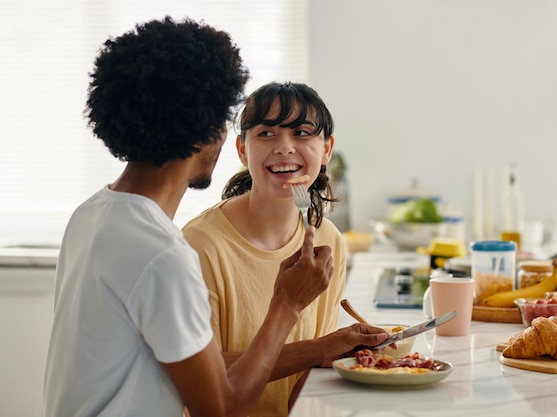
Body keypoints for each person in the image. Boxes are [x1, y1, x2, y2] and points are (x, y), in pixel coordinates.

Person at [42, 17, 390, 417]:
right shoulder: (164, 256)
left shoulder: (91, 215)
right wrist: (287, 304)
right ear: (212, 132)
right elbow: (221, 406)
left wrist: (319, 350)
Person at [182, 81, 376, 417]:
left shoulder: (329, 244)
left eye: (302, 133)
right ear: (243, 150)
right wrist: (316, 350)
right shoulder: (200, 245)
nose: (285, 148)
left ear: (327, 149)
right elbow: (202, 380)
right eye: (267, 134)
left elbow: (313, 378)